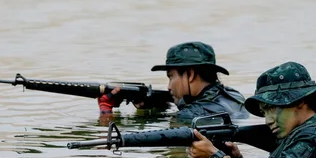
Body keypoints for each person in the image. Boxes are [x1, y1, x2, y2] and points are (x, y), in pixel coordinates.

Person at [187, 61, 316, 158]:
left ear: (300, 101)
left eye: (272, 108)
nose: (268, 120)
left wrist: (215, 156)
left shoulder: (310, 140)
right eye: (265, 112)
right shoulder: (313, 132)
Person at [98, 41, 249, 122]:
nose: (169, 86)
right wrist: (159, 107)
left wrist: (106, 112)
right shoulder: (234, 95)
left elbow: (156, 138)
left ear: (190, 74)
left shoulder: (190, 116)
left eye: (171, 77)